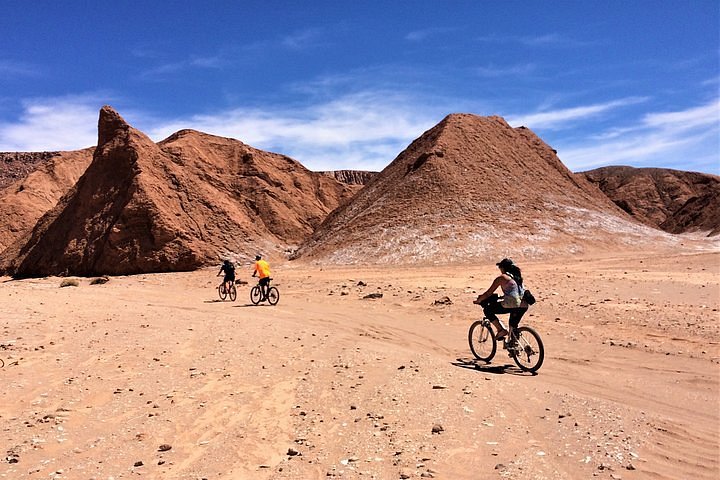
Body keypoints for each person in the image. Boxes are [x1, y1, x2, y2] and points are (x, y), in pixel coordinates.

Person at [473, 258, 528, 341]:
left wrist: (479, 300)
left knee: (488, 310)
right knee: (513, 326)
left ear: (503, 268)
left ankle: (501, 330)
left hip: (513, 304)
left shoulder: (502, 278)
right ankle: (514, 345)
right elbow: (515, 293)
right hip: (524, 304)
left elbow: (488, 293)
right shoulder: (517, 277)